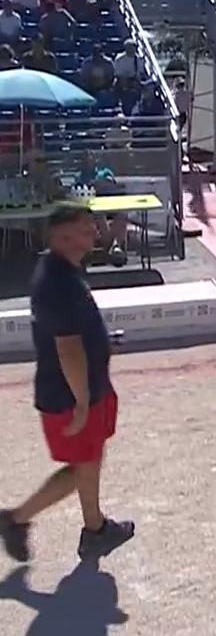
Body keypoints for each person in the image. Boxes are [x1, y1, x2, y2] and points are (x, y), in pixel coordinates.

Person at [0, 204, 135, 563]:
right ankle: (20, 519)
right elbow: (67, 348)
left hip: (83, 389)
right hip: (70, 395)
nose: (95, 232)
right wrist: (82, 401)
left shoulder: (63, 272)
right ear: (62, 237)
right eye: (86, 228)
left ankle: (94, 529)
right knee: (83, 463)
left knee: (88, 460)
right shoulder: (57, 282)